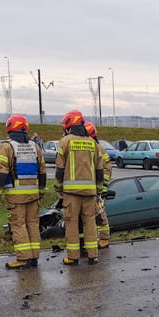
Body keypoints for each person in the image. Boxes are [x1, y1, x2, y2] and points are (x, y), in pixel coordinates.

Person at [0, 114, 47, 269]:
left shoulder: (7, 146)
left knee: (18, 225)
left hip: (16, 196)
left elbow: (2, 173)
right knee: (33, 224)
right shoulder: (35, 146)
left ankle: (23, 258)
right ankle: (34, 257)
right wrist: (41, 192)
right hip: (34, 195)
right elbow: (42, 172)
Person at [55, 110, 103, 265]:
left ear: (69, 126)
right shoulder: (93, 143)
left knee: (72, 224)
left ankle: (73, 257)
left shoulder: (65, 141)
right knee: (90, 223)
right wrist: (98, 190)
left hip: (71, 194)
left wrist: (58, 188)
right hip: (90, 193)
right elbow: (99, 170)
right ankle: (93, 255)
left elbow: (60, 169)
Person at [83, 121, 111, 250]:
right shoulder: (91, 146)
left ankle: (104, 238)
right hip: (91, 187)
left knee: (99, 214)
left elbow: (107, 168)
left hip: (97, 188)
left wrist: (102, 186)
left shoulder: (98, 148)